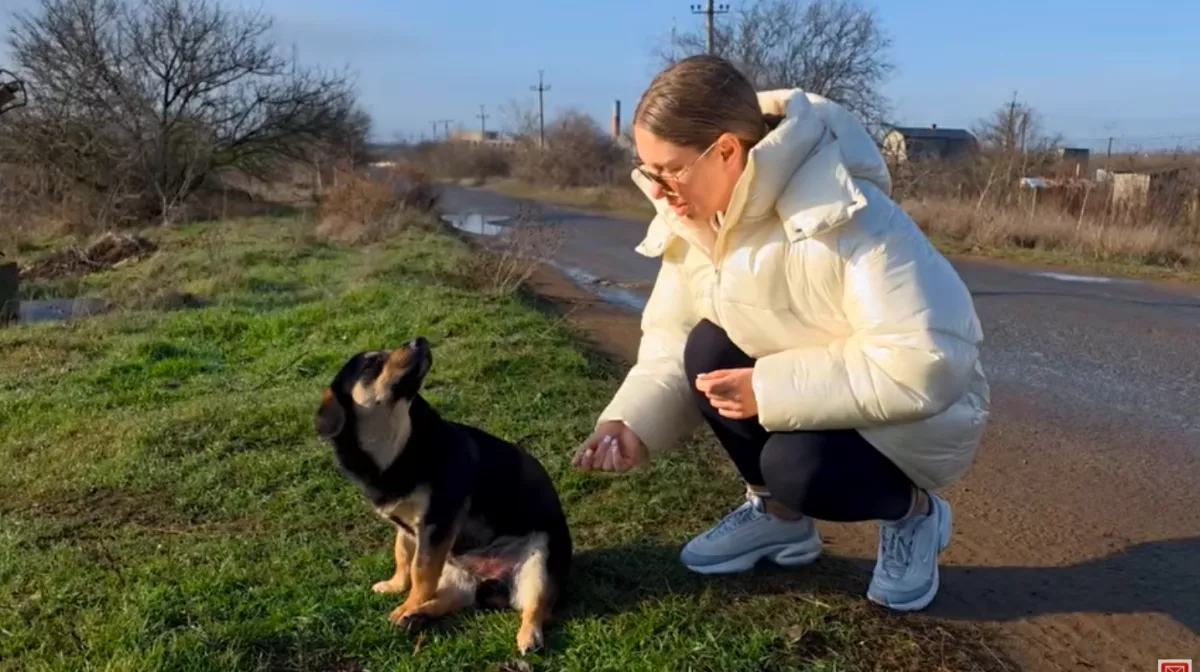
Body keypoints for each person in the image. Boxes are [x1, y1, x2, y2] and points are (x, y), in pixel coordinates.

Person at [571, 55, 990, 613]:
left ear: (725, 151)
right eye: (647, 170)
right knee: (706, 346)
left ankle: (914, 514)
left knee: (798, 467)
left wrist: (766, 389)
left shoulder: (849, 214)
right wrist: (631, 422)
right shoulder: (697, 219)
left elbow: (927, 358)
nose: (659, 189)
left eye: (669, 169)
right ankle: (779, 518)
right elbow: (672, 340)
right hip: (810, 395)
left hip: (907, 421)